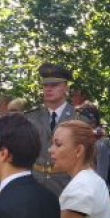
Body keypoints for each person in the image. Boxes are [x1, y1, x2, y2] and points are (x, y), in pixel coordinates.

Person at [26, 63, 77, 196]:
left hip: (67, 185)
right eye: (45, 85)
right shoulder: (30, 117)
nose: (48, 89)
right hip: (35, 184)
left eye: (54, 85)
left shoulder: (78, 117)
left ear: (66, 87)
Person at [75, 103, 110, 187]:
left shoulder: (101, 143)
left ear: (93, 121)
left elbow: (101, 178)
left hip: (94, 191)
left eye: (81, 118)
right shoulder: (85, 140)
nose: (77, 121)